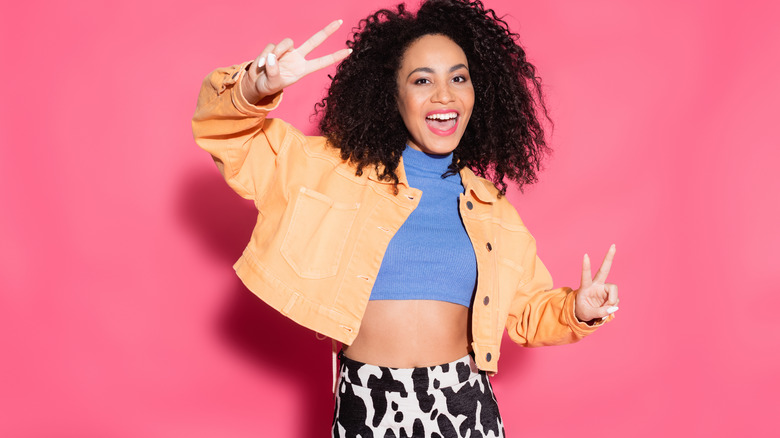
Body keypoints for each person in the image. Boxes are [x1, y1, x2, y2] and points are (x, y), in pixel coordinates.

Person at [192, 0, 620, 436]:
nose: (444, 95)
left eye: (459, 77)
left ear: (478, 92)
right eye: (422, 80)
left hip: (464, 401)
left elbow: (529, 312)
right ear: (391, 94)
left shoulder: (492, 209)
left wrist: (577, 311)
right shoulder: (330, 171)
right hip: (367, 399)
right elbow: (229, 138)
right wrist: (253, 88)